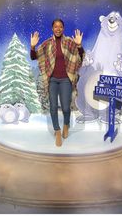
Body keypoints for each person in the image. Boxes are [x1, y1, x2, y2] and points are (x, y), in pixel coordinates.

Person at [30, 19, 85, 147]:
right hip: (52, 80)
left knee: (66, 107)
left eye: (60, 26)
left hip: (66, 79)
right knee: (53, 107)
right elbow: (34, 57)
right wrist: (33, 46)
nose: (58, 29)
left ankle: (66, 124)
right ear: (52, 28)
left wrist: (79, 46)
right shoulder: (47, 44)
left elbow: (81, 57)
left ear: (63, 28)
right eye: (55, 26)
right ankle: (57, 131)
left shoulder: (69, 43)